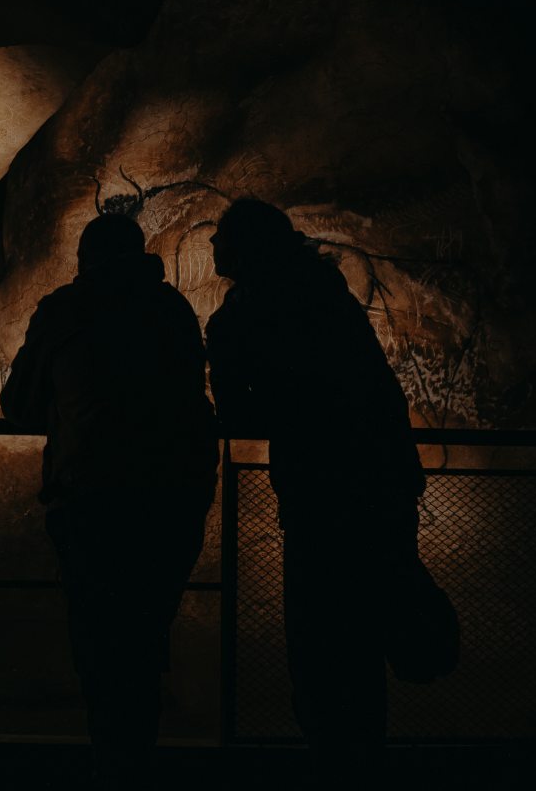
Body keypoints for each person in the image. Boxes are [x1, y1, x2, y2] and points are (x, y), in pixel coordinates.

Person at [204, 198, 423, 761]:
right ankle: (362, 753)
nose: (211, 244)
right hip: (382, 481)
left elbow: (243, 414)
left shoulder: (249, 314)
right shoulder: (325, 294)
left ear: (245, 250)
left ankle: (331, 755)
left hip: (320, 494)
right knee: (365, 634)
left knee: (319, 636)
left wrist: (221, 350)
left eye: (222, 236)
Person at [1, 213, 217, 786]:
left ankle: (113, 764)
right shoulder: (172, 310)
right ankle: (135, 760)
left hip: (93, 498)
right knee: (144, 636)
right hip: (174, 498)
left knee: (100, 643)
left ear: (85, 260)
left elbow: (17, 404)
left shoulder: (66, 309)